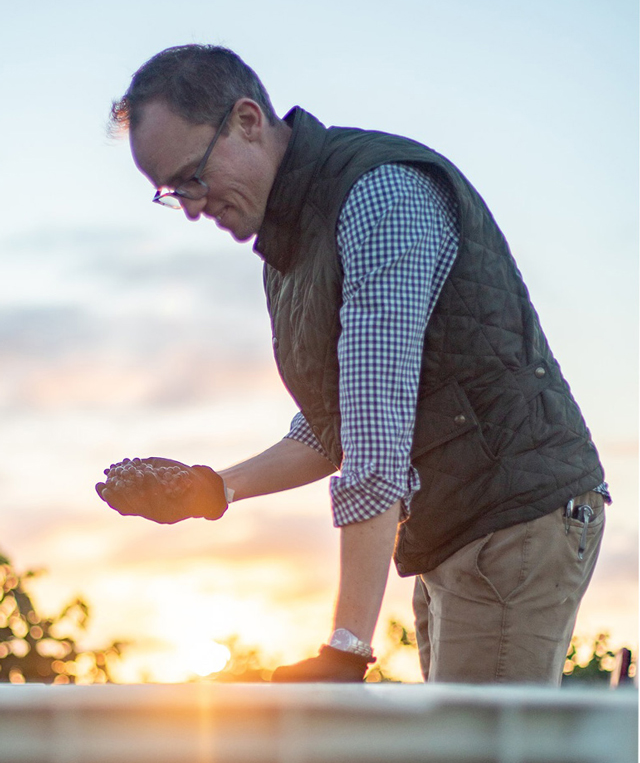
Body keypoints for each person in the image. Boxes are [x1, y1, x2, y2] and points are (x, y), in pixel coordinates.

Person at [98, 44, 610, 684]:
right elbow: (333, 424)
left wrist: (346, 648)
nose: (193, 206)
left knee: (476, 747)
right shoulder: (293, 245)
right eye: (173, 193)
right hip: (457, 529)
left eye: (193, 176)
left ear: (247, 121)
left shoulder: (378, 198)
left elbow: (375, 428)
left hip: (511, 520)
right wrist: (212, 488)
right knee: (457, 742)